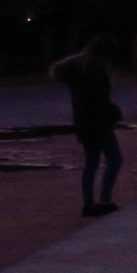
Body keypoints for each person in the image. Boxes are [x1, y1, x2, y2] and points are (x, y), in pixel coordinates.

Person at [51, 36, 124, 217]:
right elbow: (99, 100)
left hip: (84, 122)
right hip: (99, 122)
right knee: (115, 159)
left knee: (91, 162)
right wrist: (114, 112)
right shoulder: (95, 68)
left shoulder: (79, 67)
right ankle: (105, 200)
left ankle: (89, 204)